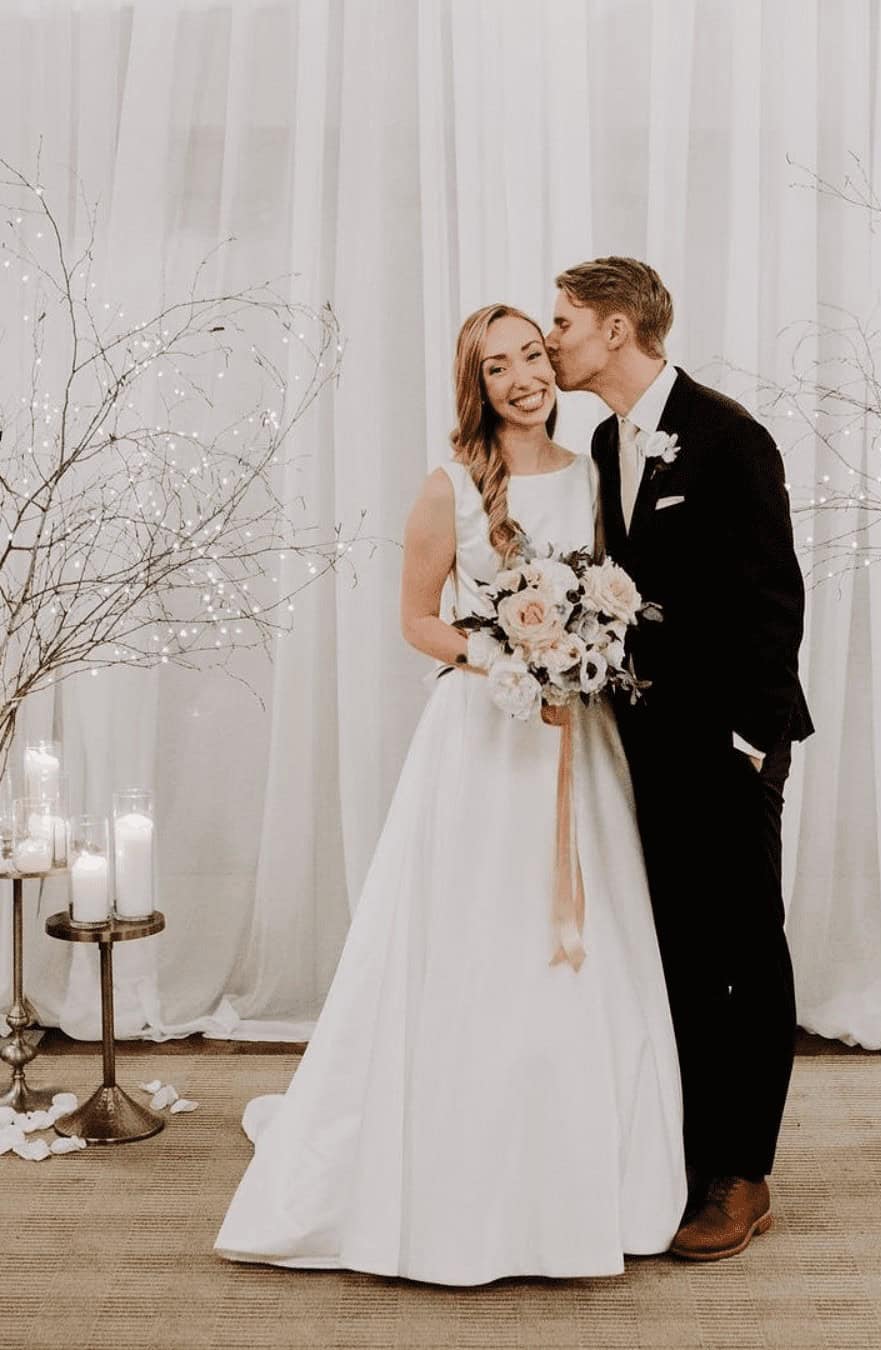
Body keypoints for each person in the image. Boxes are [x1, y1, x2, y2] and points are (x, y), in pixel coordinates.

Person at [214, 303, 686, 1285]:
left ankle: (590, 1181)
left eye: (530, 354)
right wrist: (510, 653)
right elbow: (416, 620)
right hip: (484, 737)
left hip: (579, 746)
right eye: (496, 364)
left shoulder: (598, 473)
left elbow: (616, 592)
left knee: (585, 941)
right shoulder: (452, 487)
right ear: (474, 382)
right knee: (476, 940)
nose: (521, 376)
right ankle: (458, 1176)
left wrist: (587, 649)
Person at [546, 257, 813, 1261]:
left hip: (729, 742)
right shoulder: (600, 440)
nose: (553, 335)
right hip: (640, 743)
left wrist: (750, 740)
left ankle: (745, 1174)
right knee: (679, 951)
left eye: (564, 320)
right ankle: (693, 1159)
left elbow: (773, 596)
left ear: (618, 329)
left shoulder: (730, 436)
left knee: (746, 942)